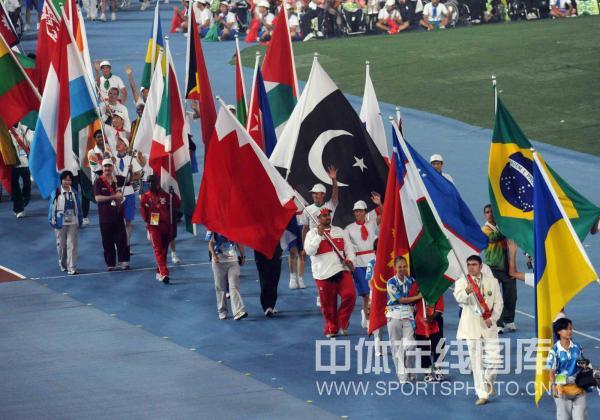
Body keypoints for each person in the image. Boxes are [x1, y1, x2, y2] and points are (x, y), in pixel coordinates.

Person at [453, 255, 503, 406]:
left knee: (495, 360)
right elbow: (458, 297)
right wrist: (467, 293)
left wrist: (492, 319)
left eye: (474, 264)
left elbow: (498, 303)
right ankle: (482, 394)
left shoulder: (492, 282)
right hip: (471, 326)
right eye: (468, 265)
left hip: (489, 326)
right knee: (476, 362)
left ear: (481, 266)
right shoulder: (462, 282)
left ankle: (488, 381)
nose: (471, 267)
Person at [304, 208, 357, 337]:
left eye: (328, 215)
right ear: (318, 218)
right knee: (328, 305)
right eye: (324, 216)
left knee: (350, 295)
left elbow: (349, 248)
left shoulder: (340, 231)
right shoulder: (311, 234)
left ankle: (342, 322)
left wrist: (350, 260)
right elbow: (309, 251)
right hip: (323, 274)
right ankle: (331, 328)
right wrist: (319, 236)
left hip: (341, 270)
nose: (327, 217)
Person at [301, 167, 339, 302]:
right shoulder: (307, 209)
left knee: (330, 267)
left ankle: (330, 291)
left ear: (323, 194)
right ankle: (321, 293)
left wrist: (334, 179)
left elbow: (335, 195)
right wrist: (304, 247)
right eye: (313, 194)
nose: (315, 196)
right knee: (317, 268)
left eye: (318, 194)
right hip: (313, 241)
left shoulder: (329, 206)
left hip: (329, 240)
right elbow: (305, 229)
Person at [344, 194, 382, 329]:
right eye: (356, 211)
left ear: (365, 212)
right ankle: (367, 317)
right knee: (365, 293)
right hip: (359, 263)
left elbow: (384, 215)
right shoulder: (348, 228)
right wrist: (351, 264)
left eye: (361, 211)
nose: (358, 213)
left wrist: (379, 204)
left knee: (373, 292)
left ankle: (370, 315)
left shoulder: (372, 224)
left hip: (372, 262)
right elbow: (348, 247)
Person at [386, 256, 421, 383]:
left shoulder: (411, 280)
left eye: (404, 266)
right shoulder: (391, 282)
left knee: (410, 345)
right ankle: (402, 375)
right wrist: (418, 297)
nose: (402, 269)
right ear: (395, 268)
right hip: (393, 315)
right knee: (397, 346)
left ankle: (410, 369)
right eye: (399, 267)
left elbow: (420, 291)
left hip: (408, 315)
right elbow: (400, 299)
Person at [482, 204, 516, 333]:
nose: (490, 214)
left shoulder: (502, 227)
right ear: (485, 215)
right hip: (493, 267)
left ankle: (510, 320)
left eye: (492, 211)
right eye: (487, 212)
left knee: (511, 296)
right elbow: (494, 237)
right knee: (496, 297)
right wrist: (506, 226)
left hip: (508, 266)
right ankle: (498, 323)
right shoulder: (485, 229)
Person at [140, 175, 180, 284]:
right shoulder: (145, 197)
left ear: (157, 183)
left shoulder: (165, 195)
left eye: (152, 182)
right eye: (148, 182)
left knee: (164, 251)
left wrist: (173, 194)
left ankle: (159, 272)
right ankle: (165, 273)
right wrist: (150, 222)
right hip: (153, 227)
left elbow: (177, 204)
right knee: (158, 250)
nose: (150, 184)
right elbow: (143, 214)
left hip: (166, 226)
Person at [547, 318, 588, 420]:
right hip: (562, 388)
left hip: (577, 386)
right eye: (566, 329)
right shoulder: (554, 351)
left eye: (570, 328)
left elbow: (582, 364)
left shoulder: (578, 347)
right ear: (558, 331)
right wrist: (553, 386)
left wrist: (586, 370)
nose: (569, 331)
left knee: (580, 417)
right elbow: (551, 371)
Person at [94, 159, 130, 271]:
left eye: (109, 166)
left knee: (122, 239)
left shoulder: (118, 179)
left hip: (119, 215)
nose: (107, 169)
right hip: (105, 218)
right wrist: (113, 197)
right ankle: (110, 263)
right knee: (107, 241)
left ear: (113, 167)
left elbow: (129, 180)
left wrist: (131, 171)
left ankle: (123, 261)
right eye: (105, 166)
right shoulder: (98, 182)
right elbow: (97, 198)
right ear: (102, 168)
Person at [112, 136, 145, 247]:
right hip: (116, 193)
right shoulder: (112, 159)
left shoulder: (131, 159)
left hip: (129, 193)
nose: (118, 144)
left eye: (121, 142)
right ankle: (118, 243)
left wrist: (130, 174)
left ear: (126, 146)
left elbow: (139, 174)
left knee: (128, 221)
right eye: (117, 142)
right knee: (117, 220)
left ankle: (127, 243)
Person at [49, 171, 83, 275]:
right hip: (60, 222)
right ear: (61, 180)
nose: (67, 182)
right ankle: (63, 264)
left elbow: (79, 207)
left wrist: (80, 220)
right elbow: (52, 208)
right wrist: (51, 220)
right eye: (65, 179)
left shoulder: (75, 192)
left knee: (72, 245)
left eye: (69, 179)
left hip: (72, 221)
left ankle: (72, 268)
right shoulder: (56, 192)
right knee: (62, 245)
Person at [209, 233, 248, 320]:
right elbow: (211, 243)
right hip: (218, 262)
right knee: (220, 287)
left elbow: (239, 242)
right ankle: (222, 311)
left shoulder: (234, 227)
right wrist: (214, 255)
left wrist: (242, 256)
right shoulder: (213, 227)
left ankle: (238, 311)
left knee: (234, 285)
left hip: (233, 261)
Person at [414, 291, 445, 382]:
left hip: (435, 320)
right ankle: (427, 371)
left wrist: (432, 317)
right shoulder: (415, 285)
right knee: (424, 347)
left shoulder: (436, 286)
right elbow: (411, 300)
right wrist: (418, 294)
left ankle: (438, 368)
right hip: (420, 321)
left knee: (439, 345)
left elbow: (440, 307)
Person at [8, 124, 32, 219]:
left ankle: (24, 199)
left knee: (27, 183)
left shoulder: (25, 128)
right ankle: (18, 209)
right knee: (15, 186)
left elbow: (31, 141)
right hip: (12, 162)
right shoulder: (6, 130)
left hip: (24, 161)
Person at [255, 244, 283, 317]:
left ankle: (271, 304)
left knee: (275, 278)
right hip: (260, 249)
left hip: (276, 248)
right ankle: (267, 306)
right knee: (264, 278)